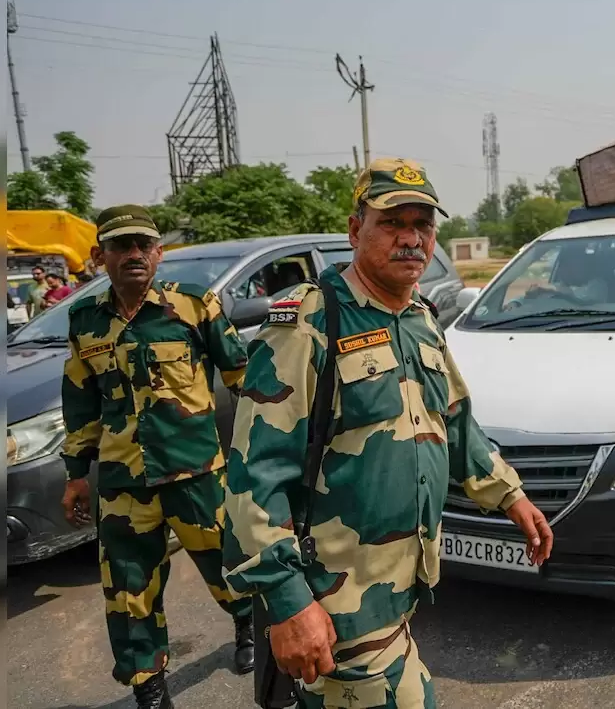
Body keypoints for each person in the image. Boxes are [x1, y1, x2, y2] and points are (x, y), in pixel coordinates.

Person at [222, 158, 554, 709]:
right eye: (392, 223)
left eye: (422, 225)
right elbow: (255, 476)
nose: (411, 239)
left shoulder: (419, 318)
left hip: (398, 588)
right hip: (335, 597)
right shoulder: (310, 322)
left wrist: (511, 496)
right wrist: (286, 601)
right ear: (356, 231)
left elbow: (453, 423)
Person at [59, 204, 256, 709]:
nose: (133, 255)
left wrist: (263, 458)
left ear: (159, 253)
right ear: (100, 255)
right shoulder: (85, 320)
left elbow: (246, 383)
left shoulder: (194, 307)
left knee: (230, 570)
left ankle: (247, 627)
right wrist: (76, 474)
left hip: (196, 475)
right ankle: (148, 686)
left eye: (143, 245)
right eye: (121, 246)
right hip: (124, 483)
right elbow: (81, 400)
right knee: (128, 595)